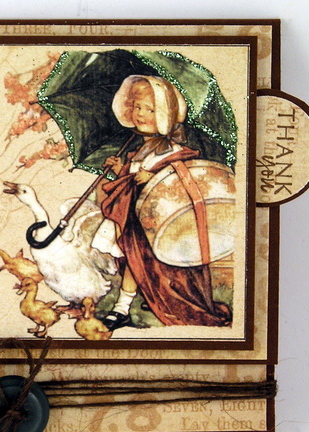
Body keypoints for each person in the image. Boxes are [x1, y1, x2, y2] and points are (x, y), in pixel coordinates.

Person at [91, 75, 232, 330]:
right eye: (137, 107)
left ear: (165, 115)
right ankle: (123, 307)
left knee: (157, 270)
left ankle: (147, 303)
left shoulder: (173, 151)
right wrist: (121, 169)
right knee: (134, 263)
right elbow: (131, 180)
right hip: (136, 223)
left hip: (164, 229)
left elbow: (179, 182)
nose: (141, 114)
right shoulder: (140, 150)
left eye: (150, 110)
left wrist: (154, 177)